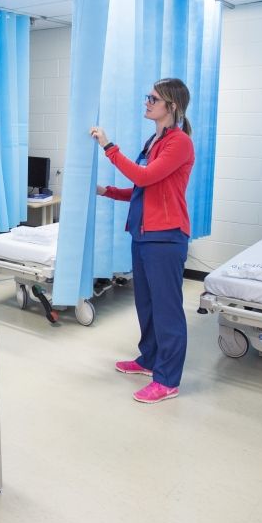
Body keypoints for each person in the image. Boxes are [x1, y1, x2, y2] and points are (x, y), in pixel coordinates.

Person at [90, 78, 194, 404]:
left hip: (166, 237)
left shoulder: (179, 143)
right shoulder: (154, 140)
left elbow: (144, 176)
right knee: (146, 306)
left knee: (167, 312)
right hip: (144, 235)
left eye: (153, 98)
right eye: (147, 97)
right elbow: (142, 189)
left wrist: (109, 147)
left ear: (171, 106)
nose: (147, 102)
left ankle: (168, 380)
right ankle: (149, 360)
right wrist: (107, 192)